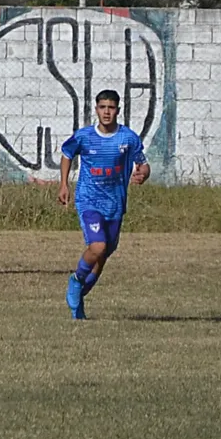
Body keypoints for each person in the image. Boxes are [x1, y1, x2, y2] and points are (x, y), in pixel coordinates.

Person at [58, 90, 151, 320]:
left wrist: (143, 174)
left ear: (118, 110)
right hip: (89, 201)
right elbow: (67, 153)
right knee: (97, 247)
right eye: (102, 107)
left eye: (111, 107)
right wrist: (63, 184)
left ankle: (78, 300)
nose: (106, 112)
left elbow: (143, 163)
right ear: (96, 109)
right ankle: (76, 280)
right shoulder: (85, 136)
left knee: (103, 256)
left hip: (115, 205)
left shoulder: (127, 138)